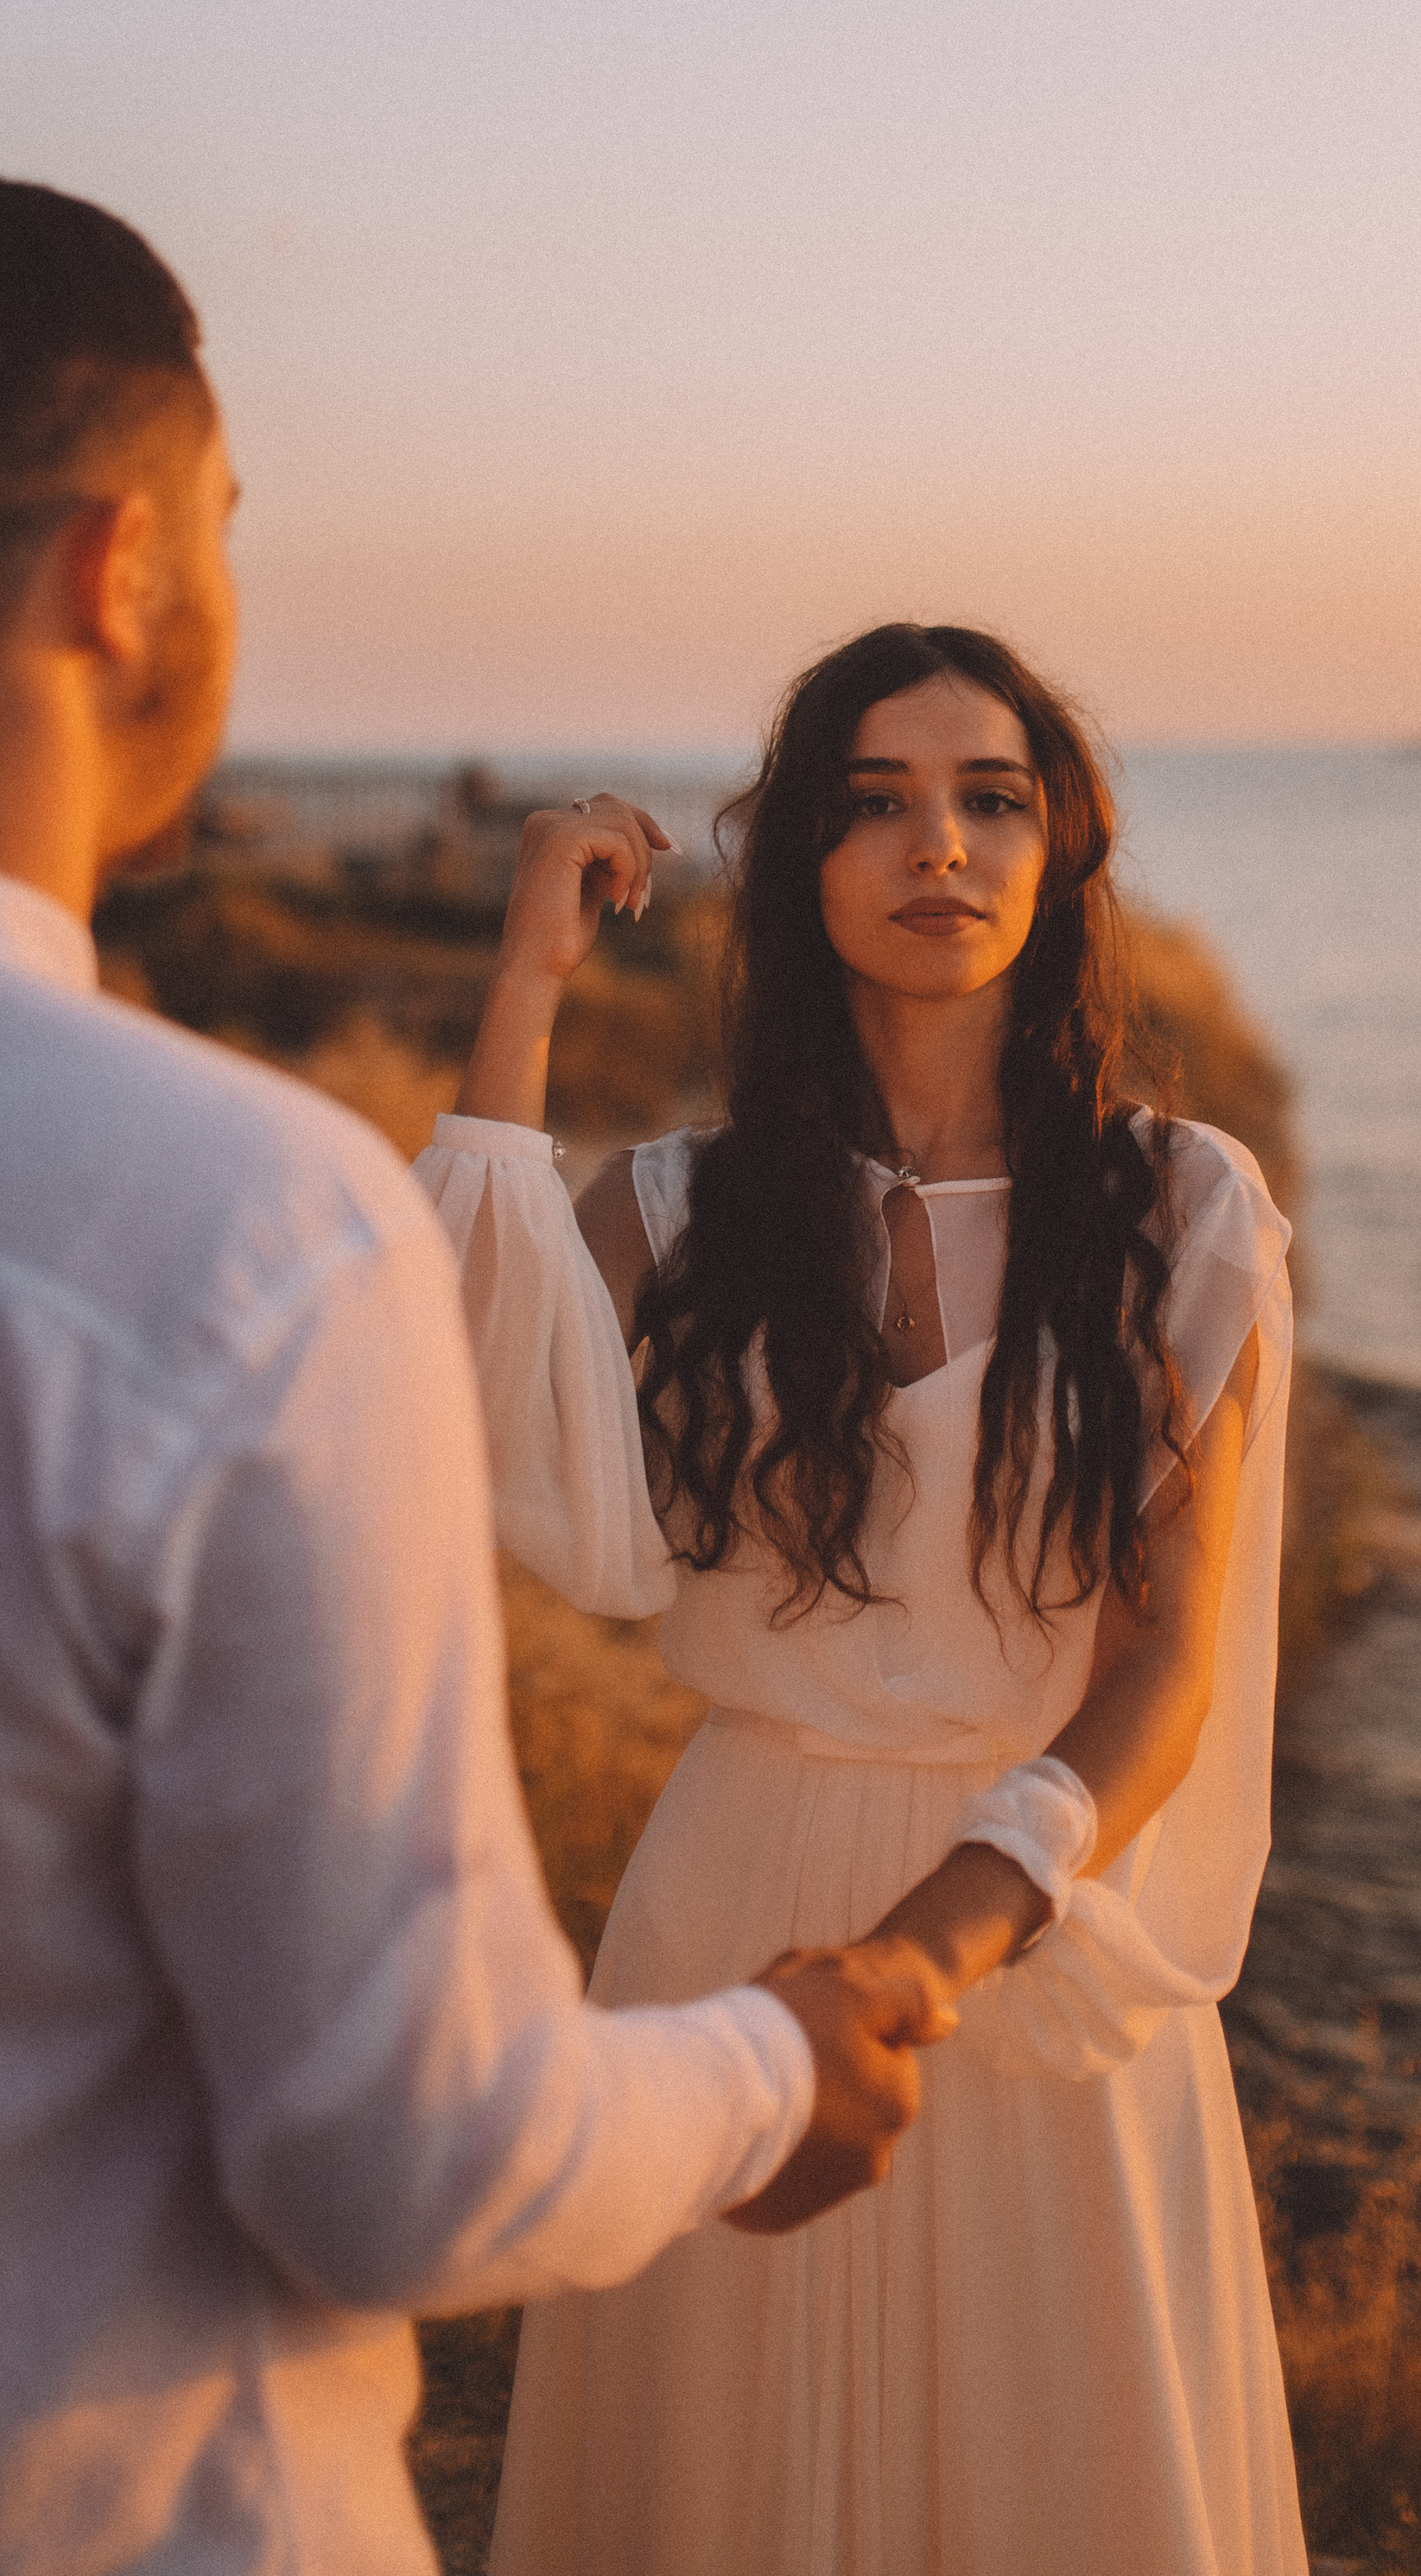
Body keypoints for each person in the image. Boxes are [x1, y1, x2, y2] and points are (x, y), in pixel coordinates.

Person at [0, 171, 952, 2576]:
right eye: (232, 530)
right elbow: (411, 2157)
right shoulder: (232, 1227)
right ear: (123, 573)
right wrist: (769, 2078)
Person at [416, 621, 1310, 2575]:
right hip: (730, 1900)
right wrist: (526, 981)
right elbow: (464, 1399)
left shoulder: (1181, 1208)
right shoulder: (670, 1212)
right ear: (803, 867)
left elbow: (1160, 1671)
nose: (940, 848)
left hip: (1040, 1929)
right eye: (875, 803)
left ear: (1057, 856)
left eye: (991, 799)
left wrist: (933, 1942)